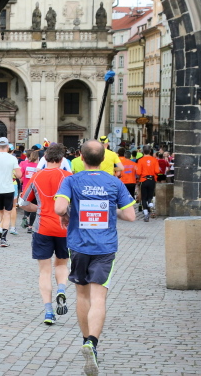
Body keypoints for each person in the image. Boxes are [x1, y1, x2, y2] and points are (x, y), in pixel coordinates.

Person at [54, 140, 136, 376]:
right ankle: (92, 343)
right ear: (103, 158)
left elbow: (59, 208)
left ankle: (84, 340)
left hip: (79, 245)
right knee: (99, 297)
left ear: (80, 157)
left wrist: (68, 212)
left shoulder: (71, 180)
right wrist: (110, 210)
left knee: (82, 295)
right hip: (105, 247)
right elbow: (130, 215)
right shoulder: (114, 182)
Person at [20, 144, 71, 325]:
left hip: (42, 228)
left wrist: (39, 208)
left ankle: (48, 312)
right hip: (64, 228)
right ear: (62, 159)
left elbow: (23, 203)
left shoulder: (37, 176)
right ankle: (61, 289)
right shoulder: (68, 177)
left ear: (45, 158)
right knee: (62, 264)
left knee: (44, 270)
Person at [136, 145, 160, 222]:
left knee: (143, 198)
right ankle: (150, 204)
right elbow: (157, 171)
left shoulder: (140, 160)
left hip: (143, 180)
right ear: (150, 151)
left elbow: (138, 172)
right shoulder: (155, 160)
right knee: (150, 196)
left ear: (143, 151)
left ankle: (146, 214)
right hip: (152, 180)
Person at [19, 149, 39, 232]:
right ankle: (30, 226)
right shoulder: (38, 167)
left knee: (26, 204)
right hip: (35, 189)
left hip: (26, 188)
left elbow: (20, 176)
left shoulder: (25, 165)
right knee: (34, 207)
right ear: (37, 158)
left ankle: (26, 216)